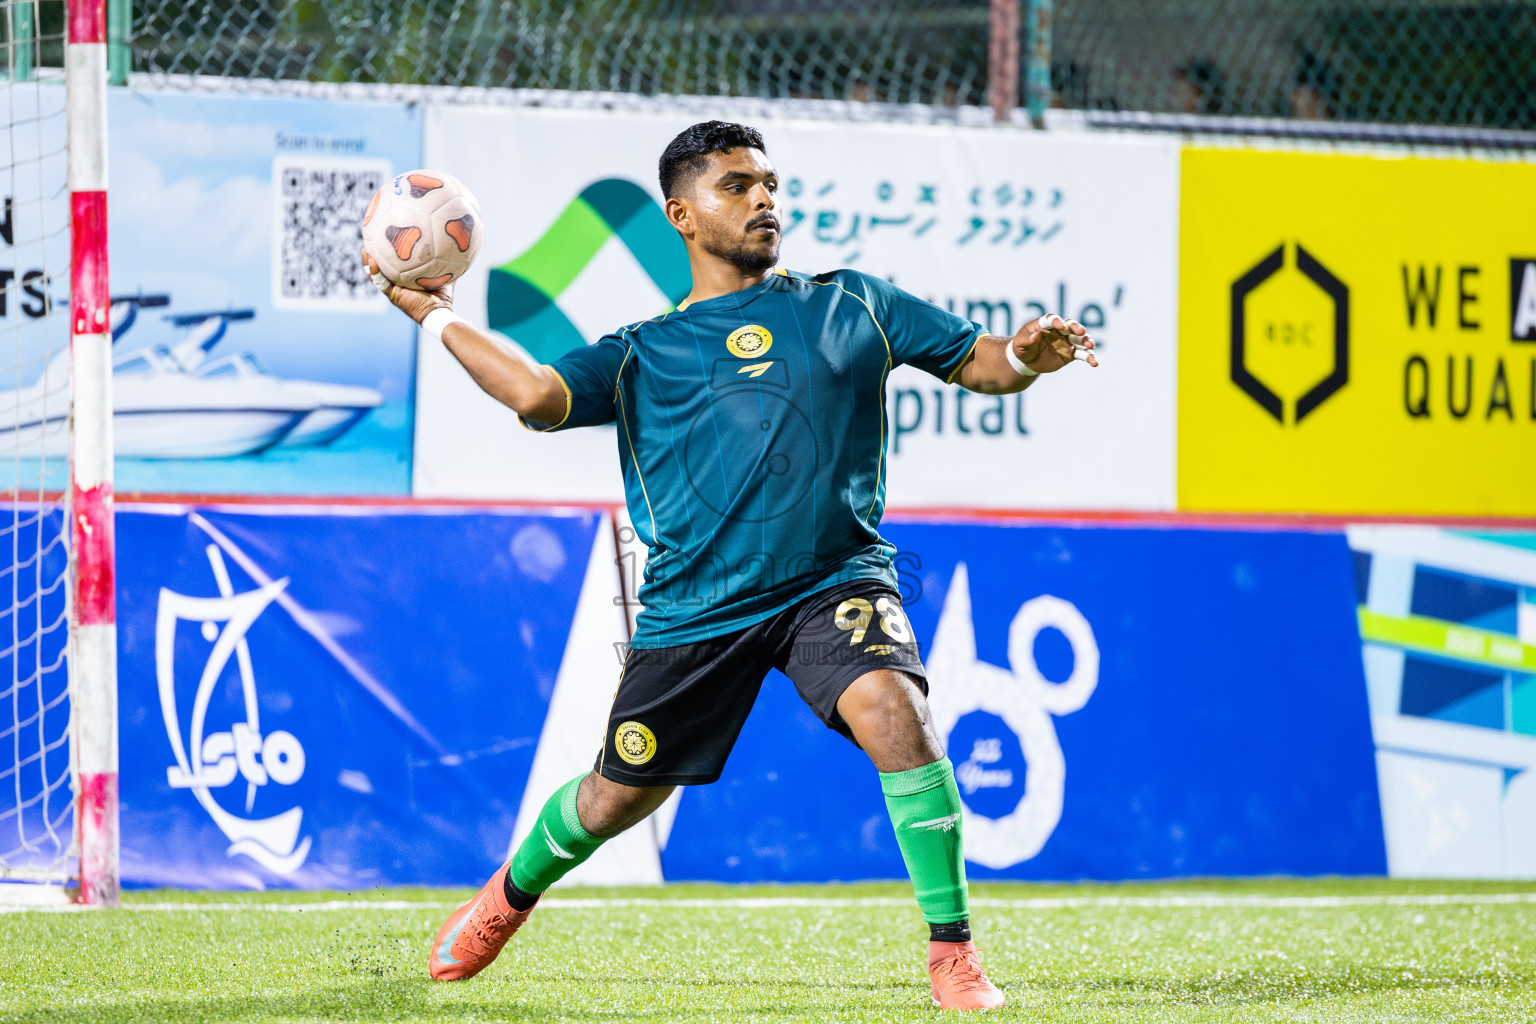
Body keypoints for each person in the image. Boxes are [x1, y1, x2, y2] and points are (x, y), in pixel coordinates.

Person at [363, 120, 1097, 1012]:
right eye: (737, 186)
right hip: (697, 607)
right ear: (680, 214)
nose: (763, 201)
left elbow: (984, 364)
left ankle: (953, 954)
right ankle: (505, 898)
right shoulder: (642, 352)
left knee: (897, 711)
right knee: (617, 794)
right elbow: (533, 395)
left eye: (770, 185)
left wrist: (1028, 356)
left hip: (836, 577)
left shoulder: (850, 302)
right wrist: (433, 311)